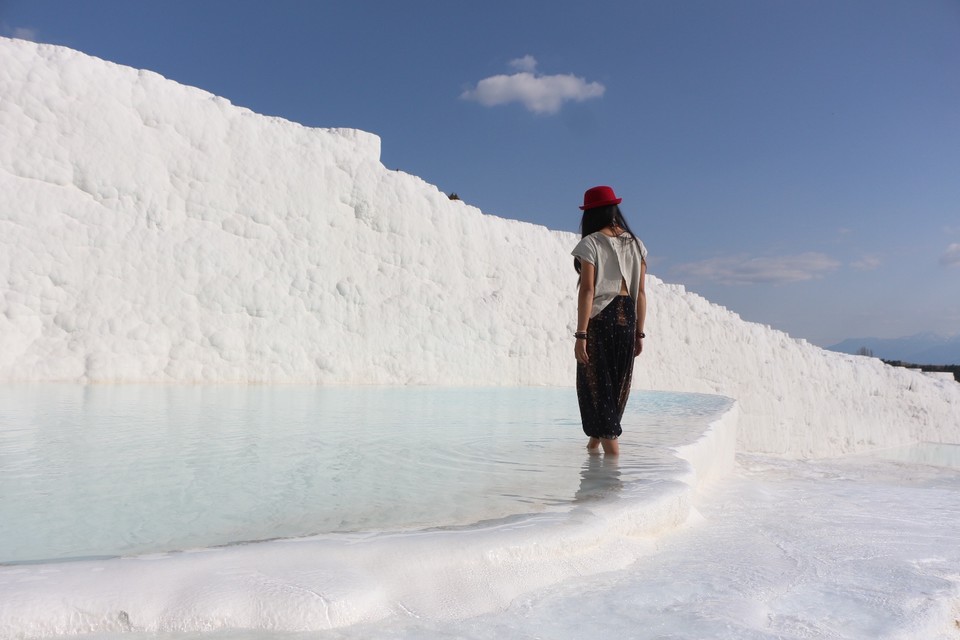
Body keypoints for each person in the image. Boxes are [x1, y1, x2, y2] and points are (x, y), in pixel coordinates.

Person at [571, 186, 647, 456]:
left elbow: (588, 290)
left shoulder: (590, 243)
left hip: (602, 318)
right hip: (628, 318)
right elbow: (640, 292)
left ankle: (613, 460)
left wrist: (581, 335)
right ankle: (595, 442)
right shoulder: (636, 244)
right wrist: (639, 333)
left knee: (594, 385)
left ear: (590, 214)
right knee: (615, 385)